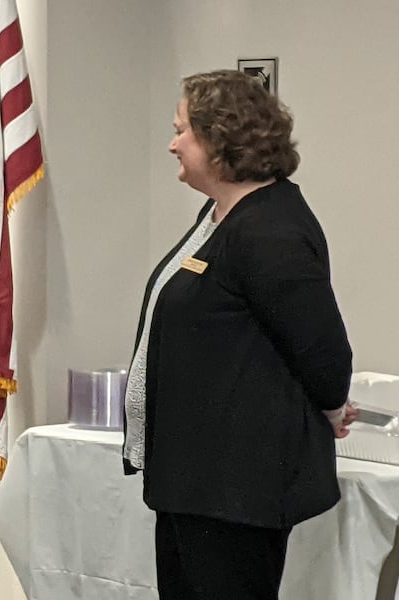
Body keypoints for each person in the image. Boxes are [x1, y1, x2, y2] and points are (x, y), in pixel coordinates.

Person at [122, 69, 357, 600]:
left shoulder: (270, 229)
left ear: (219, 139)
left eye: (181, 130)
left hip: (234, 490)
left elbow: (324, 357)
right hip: (195, 481)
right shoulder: (221, 215)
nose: (172, 143)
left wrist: (331, 406)